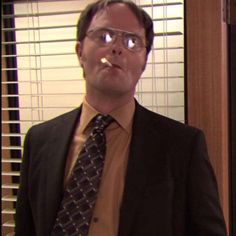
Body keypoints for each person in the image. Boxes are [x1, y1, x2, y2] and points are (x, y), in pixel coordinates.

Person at [15, 0, 227, 235]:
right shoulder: (39, 140)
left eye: (132, 41)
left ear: (144, 62)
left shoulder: (183, 147)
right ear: (80, 52)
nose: (117, 49)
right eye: (104, 37)